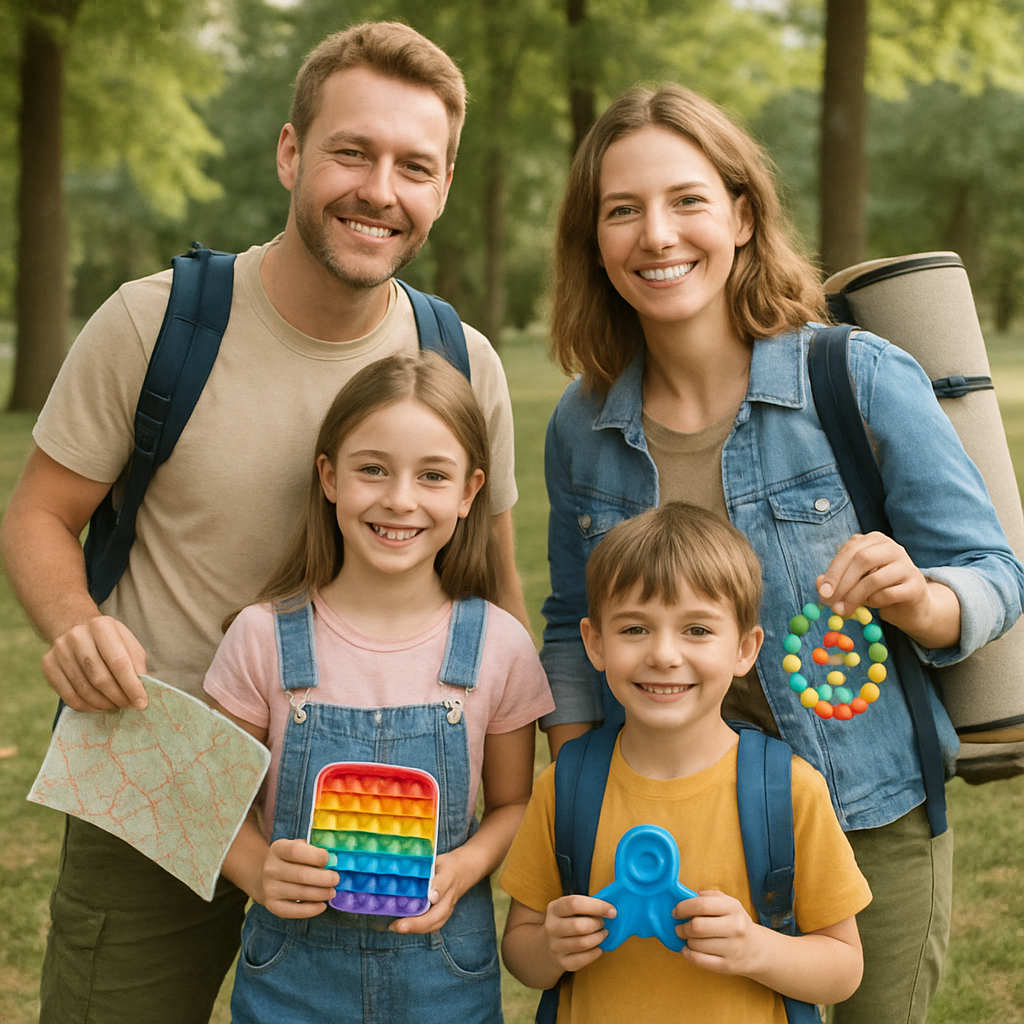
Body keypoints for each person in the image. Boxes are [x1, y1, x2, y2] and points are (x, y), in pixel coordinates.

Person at [0, 22, 530, 1024]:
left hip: (377, 802)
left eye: (414, 166)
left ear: (445, 184)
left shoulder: (460, 361)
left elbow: (491, 589)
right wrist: (75, 623)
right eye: (350, 151)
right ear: (291, 152)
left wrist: (505, 808)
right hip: (161, 771)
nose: (381, 189)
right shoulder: (152, 324)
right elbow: (37, 513)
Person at [536, 84, 1024, 1024]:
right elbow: (572, 625)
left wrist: (920, 598)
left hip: (865, 810)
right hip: (671, 816)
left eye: (687, 201)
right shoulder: (582, 423)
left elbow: (995, 571)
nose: (658, 234)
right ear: (594, 241)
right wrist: (580, 796)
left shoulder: (856, 375)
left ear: (743, 215)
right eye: (622, 210)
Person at [203, 351, 553, 1024]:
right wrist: (257, 871)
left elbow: (515, 803)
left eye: (432, 475)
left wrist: (467, 866)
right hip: (291, 984)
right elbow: (213, 805)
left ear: (469, 491)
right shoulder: (262, 638)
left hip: (444, 981)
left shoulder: (499, 646)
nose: (400, 499)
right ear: (329, 477)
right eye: (373, 469)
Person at [501, 503, 869, 1022]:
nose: (665, 655)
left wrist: (757, 949)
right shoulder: (568, 784)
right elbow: (521, 951)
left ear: (745, 648)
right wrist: (550, 948)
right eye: (635, 629)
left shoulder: (787, 791)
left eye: (697, 630)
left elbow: (844, 967)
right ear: (595, 642)